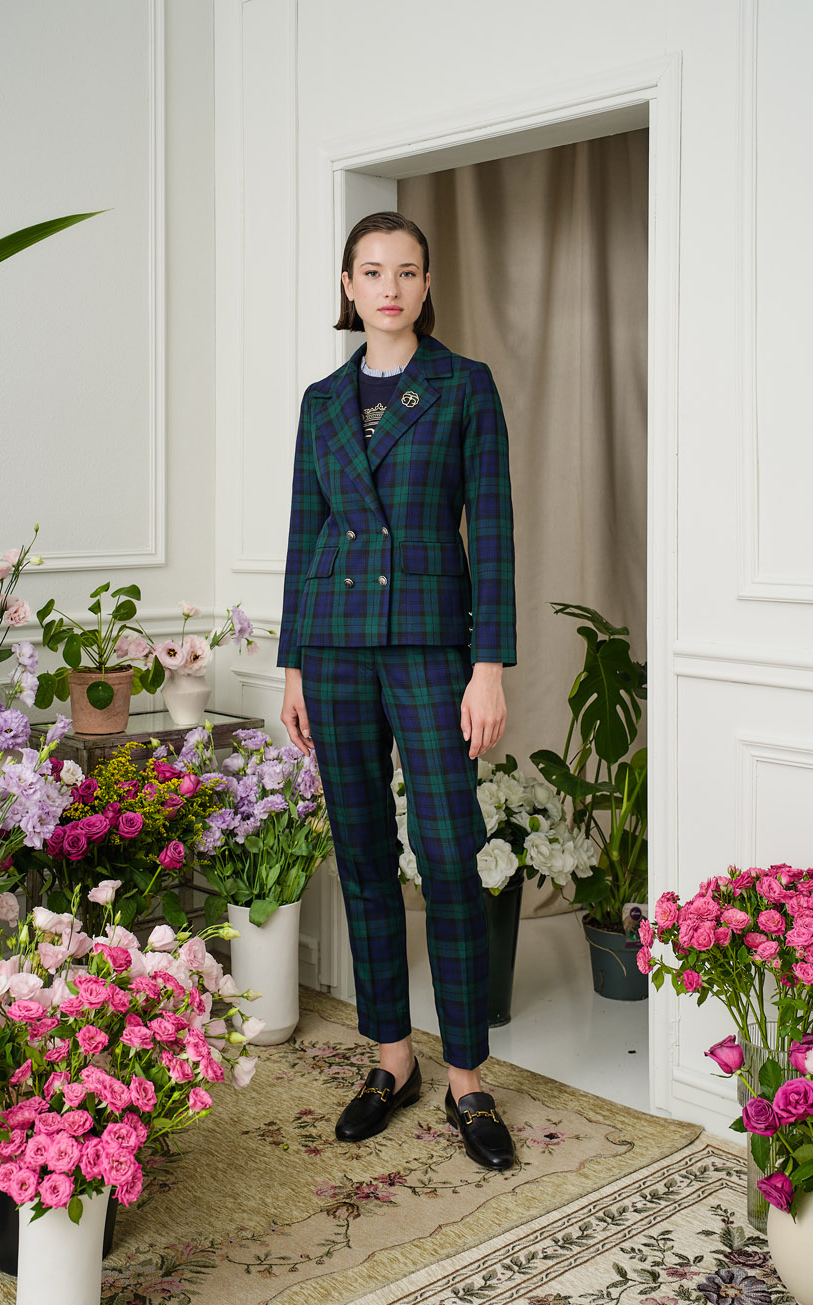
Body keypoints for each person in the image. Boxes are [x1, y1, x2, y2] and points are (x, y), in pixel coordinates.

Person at [278, 211, 516, 1170]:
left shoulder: (464, 386)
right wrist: (293, 664)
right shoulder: (321, 401)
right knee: (366, 857)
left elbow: (490, 529)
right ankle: (391, 1060)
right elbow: (304, 535)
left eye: (406, 271)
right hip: (334, 648)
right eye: (372, 271)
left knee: (450, 856)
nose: (389, 287)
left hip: (429, 647)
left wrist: (487, 664)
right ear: (348, 285)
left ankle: (467, 1077)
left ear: (425, 284)